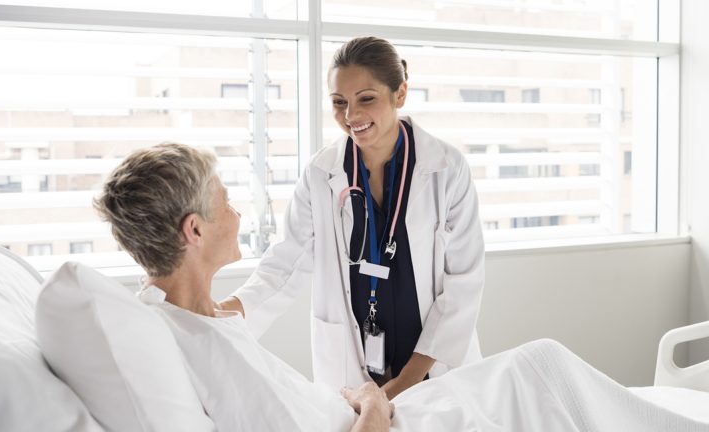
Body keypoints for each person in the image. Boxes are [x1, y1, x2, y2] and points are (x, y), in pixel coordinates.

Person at [94, 142, 709, 432]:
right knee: (546, 372)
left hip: (399, 404)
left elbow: (462, 285)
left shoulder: (184, 324)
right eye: (226, 202)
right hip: (387, 417)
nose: (237, 214)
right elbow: (287, 264)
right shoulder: (204, 344)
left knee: (543, 367)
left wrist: (381, 396)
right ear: (194, 229)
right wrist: (372, 402)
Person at [220, 36, 485, 400]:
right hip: (354, 372)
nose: (350, 116)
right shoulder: (321, 173)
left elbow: (463, 285)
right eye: (339, 102)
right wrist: (227, 310)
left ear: (400, 94)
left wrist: (401, 386)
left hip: (431, 368)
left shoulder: (446, 168)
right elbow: (286, 262)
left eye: (366, 99)